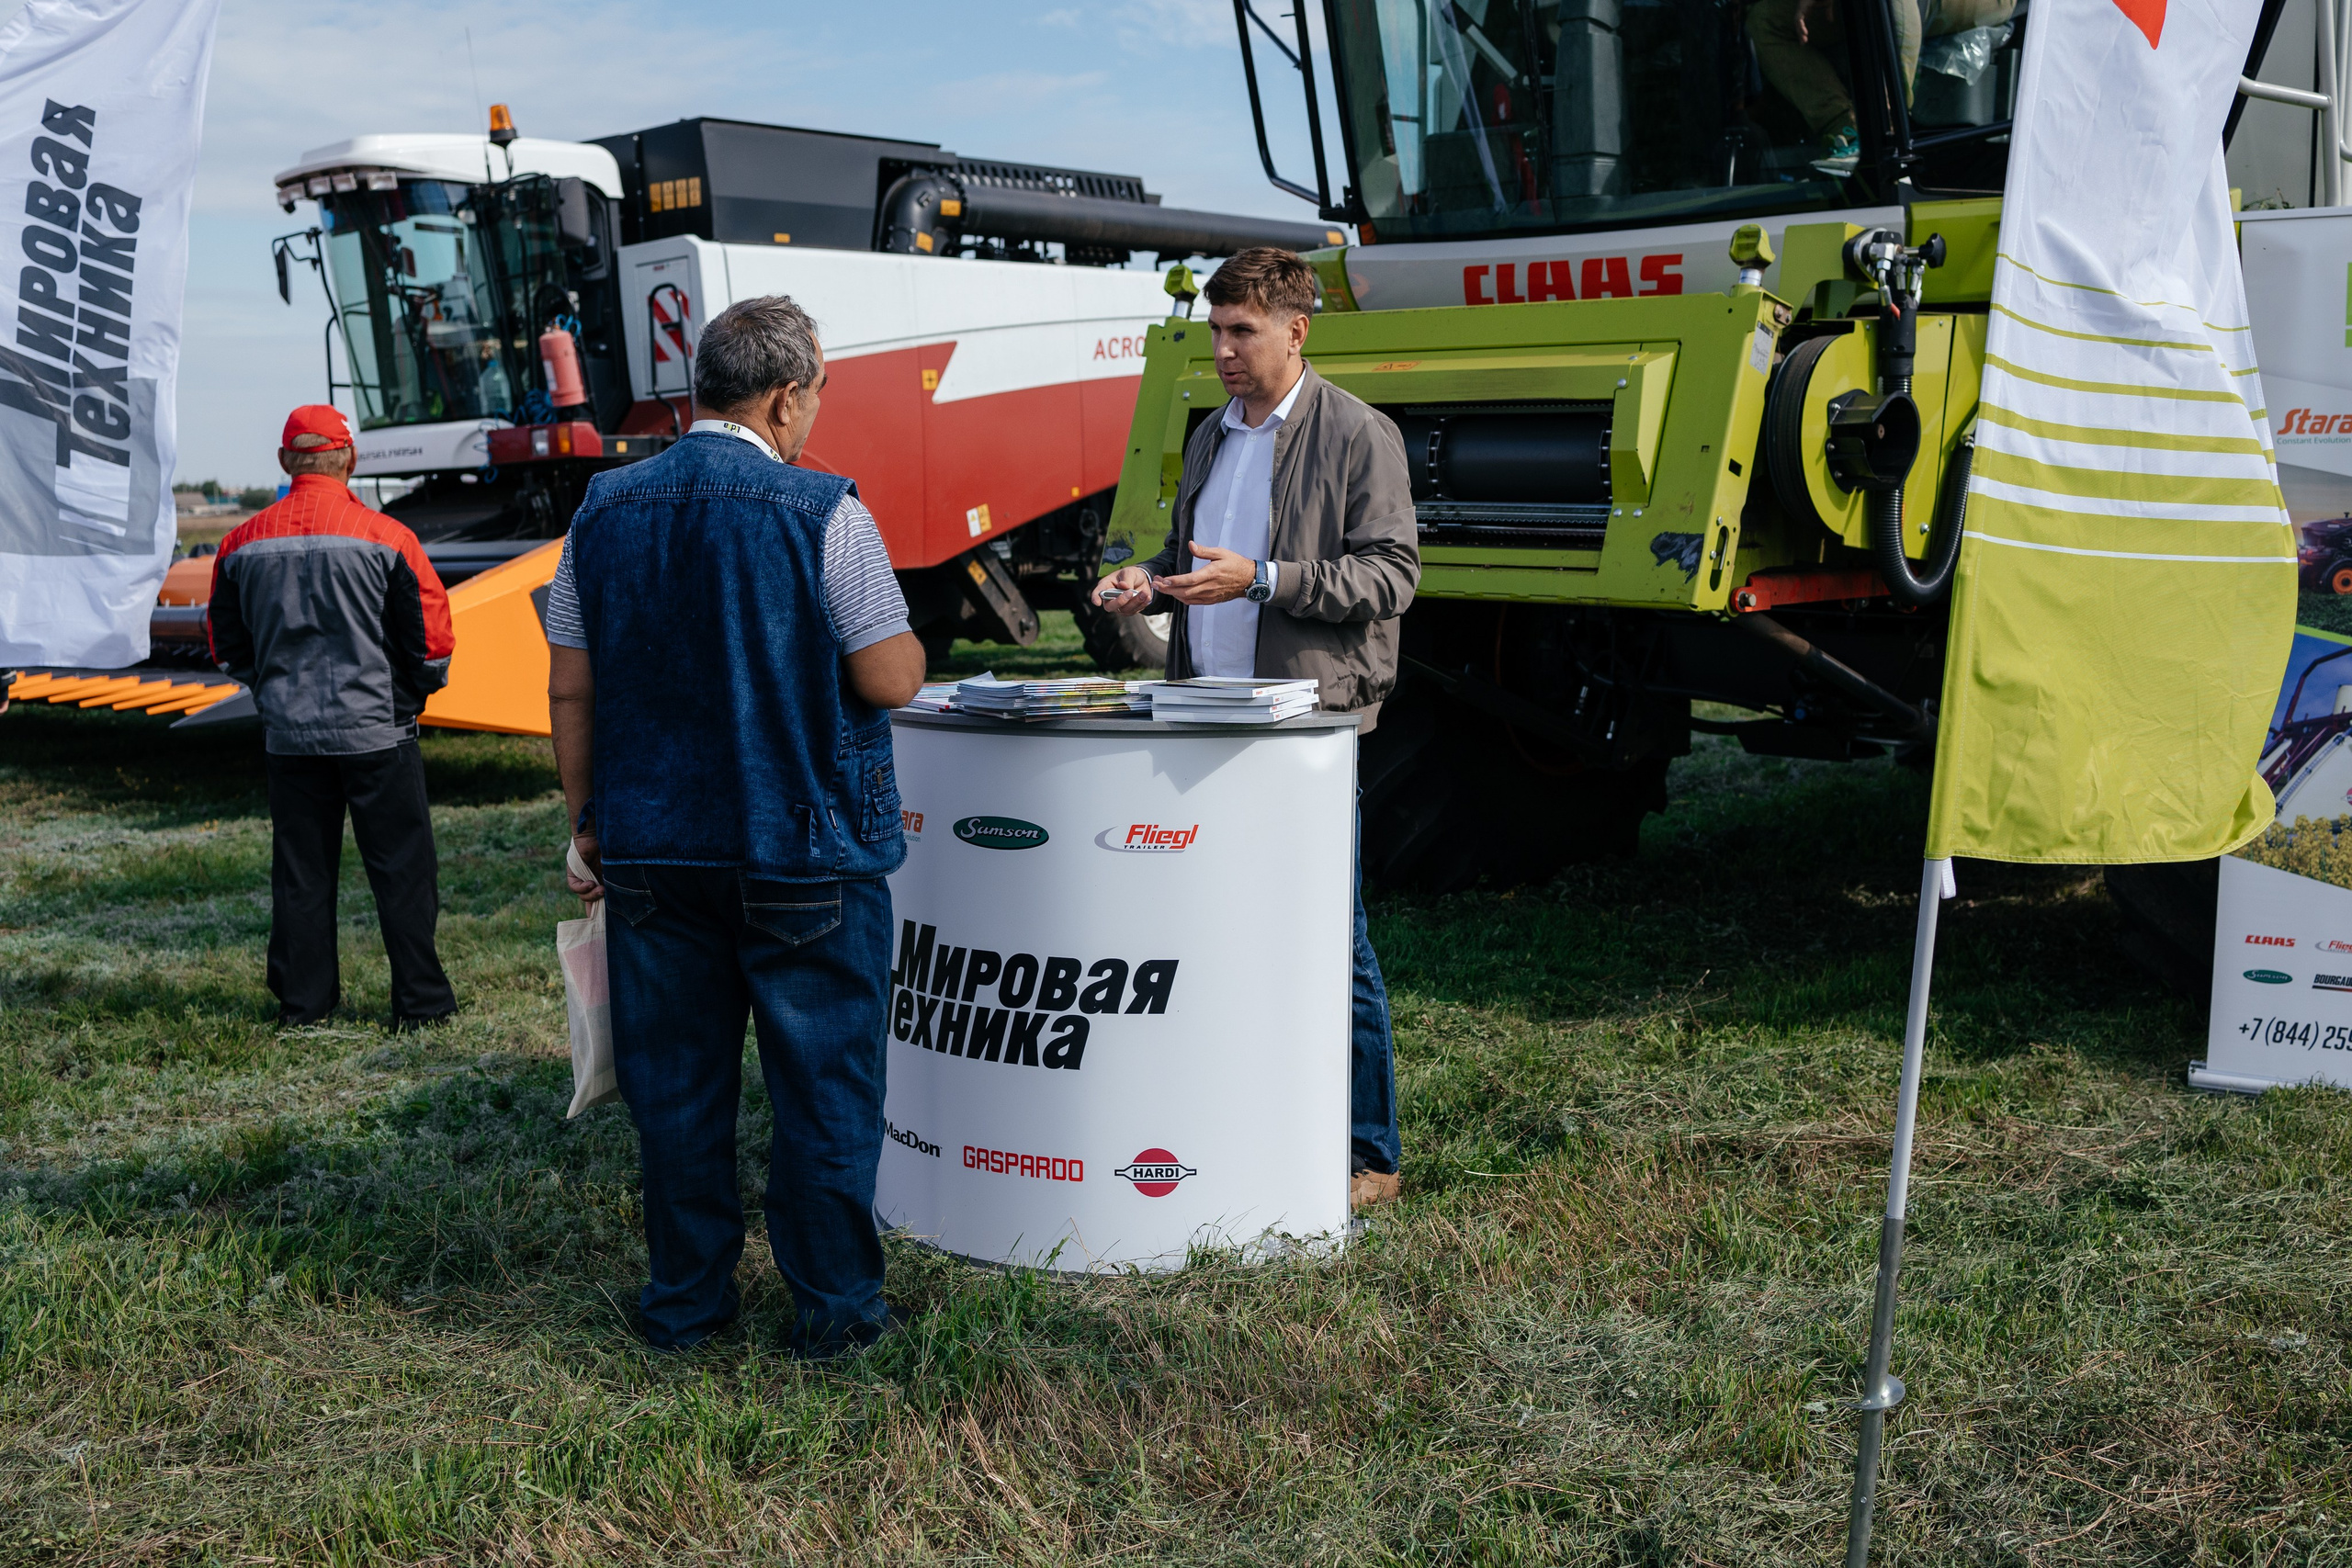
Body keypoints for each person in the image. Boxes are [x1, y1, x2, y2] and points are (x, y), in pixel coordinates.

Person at [544, 295, 927, 1355]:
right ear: (784, 395)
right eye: (813, 400)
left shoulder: (600, 512)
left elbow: (570, 689)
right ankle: (837, 1316)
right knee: (824, 1094)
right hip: (802, 847)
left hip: (653, 850)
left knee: (676, 1097)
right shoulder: (825, 511)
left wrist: (588, 825)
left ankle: (685, 1308)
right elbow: (888, 676)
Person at [1091, 246, 1419, 1211]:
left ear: (1295, 329)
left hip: (1304, 730)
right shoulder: (1211, 436)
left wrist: (1267, 580)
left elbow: (1391, 576)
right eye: (1215, 331)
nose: (1224, 351)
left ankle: (1370, 1155)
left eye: (1242, 332)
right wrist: (1145, 581)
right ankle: (1246, 1112)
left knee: (1332, 942)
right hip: (1202, 718)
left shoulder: (1360, 434)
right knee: (1215, 932)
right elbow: (1198, 554)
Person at [206, 405, 458, 1030]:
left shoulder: (240, 543)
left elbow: (225, 644)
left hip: (289, 736)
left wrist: (267, 687)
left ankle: (305, 1004)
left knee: (301, 873)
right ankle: (421, 1006)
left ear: (287, 462)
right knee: (402, 869)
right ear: (350, 459)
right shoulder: (388, 537)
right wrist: (410, 696)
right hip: (378, 732)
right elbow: (431, 641)